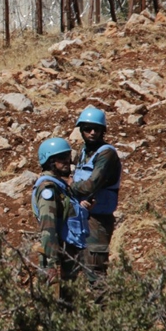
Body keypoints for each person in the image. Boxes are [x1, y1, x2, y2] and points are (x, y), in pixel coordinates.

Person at [68, 106, 122, 276]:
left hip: (98, 221)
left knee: (95, 271)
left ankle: (103, 303)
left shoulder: (107, 154)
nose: (92, 133)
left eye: (97, 129)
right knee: (77, 267)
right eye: (87, 129)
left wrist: (70, 185)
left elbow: (91, 185)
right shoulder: (84, 153)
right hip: (81, 217)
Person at [33, 138, 89, 282]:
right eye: (61, 158)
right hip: (60, 257)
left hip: (70, 253)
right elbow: (48, 227)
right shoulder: (48, 189)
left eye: (67, 156)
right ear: (49, 161)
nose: (67, 162)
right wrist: (53, 262)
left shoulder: (61, 187)